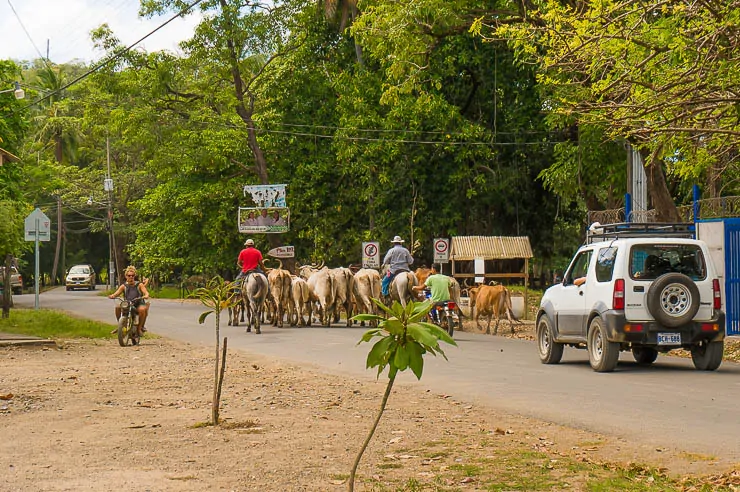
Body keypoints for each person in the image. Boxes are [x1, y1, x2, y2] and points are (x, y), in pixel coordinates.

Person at [108, 265, 150, 336]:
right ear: (126, 276)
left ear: (134, 276)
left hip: (138, 303)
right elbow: (116, 293)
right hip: (128, 304)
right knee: (118, 307)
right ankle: (120, 326)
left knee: (142, 309)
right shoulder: (123, 286)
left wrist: (146, 295)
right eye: (129, 275)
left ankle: (139, 328)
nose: (131, 277)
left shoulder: (139, 285)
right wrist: (112, 296)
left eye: (132, 275)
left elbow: (146, 292)